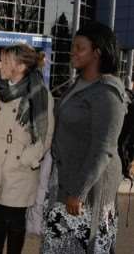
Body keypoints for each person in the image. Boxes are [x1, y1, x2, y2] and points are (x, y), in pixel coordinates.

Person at [42, 22, 126, 253]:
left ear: (97, 52)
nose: (73, 52)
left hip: (88, 189)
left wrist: (78, 193)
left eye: (80, 47)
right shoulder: (79, 83)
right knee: (59, 245)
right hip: (67, 178)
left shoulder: (108, 93)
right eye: (73, 46)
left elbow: (104, 148)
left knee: (82, 246)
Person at [0, 44, 54, 254]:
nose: (0, 64)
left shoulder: (40, 94)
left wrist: (27, 159)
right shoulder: (2, 89)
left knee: (14, 222)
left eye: (5, 60)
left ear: (20, 66)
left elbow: (45, 134)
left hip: (19, 169)